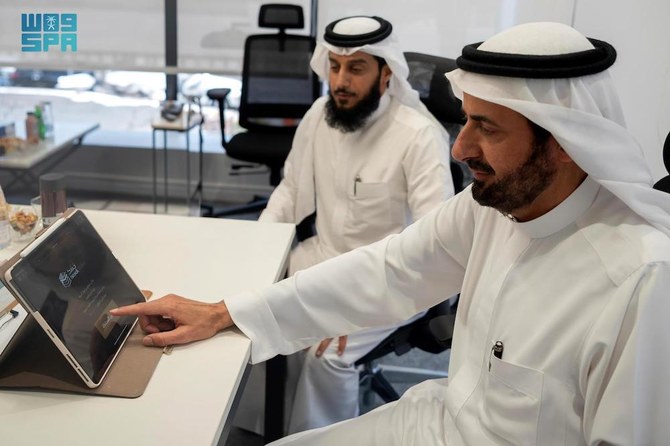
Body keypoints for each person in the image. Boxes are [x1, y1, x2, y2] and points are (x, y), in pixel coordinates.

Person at [111, 21, 670, 445]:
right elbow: (392, 268)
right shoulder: (490, 207)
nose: (460, 148)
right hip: (436, 423)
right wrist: (225, 313)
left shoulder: (639, 280)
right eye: (466, 120)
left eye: (486, 128)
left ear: (564, 142)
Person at [236, 15, 454, 434]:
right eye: (334, 66)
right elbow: (290, 189)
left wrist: (352, 306)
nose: (340, 81)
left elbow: (434, 244)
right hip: (321, 257)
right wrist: (258, 249)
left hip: (389, 279)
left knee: (327, 357)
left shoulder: (419, 135)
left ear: (386, 73)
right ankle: (258, 431)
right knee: (251, 318)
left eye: (356, 68)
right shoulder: (319, 115)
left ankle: (317, 439)